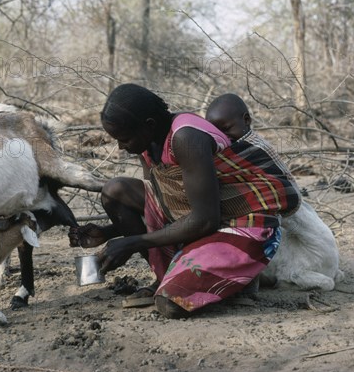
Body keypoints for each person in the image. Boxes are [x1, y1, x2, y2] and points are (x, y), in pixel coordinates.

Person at [69, 84, 300, 318]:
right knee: (114, 191)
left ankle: (236, 278)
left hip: (242, 222)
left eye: (125, 139)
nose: (120, 146)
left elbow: (205, 220)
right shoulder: (147, 143)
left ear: (148, 125)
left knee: (172, 303)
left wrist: (132, 243)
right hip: (195, 215)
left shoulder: (186, 138)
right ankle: (168, 273)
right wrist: (109, 233)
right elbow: (160, 201)